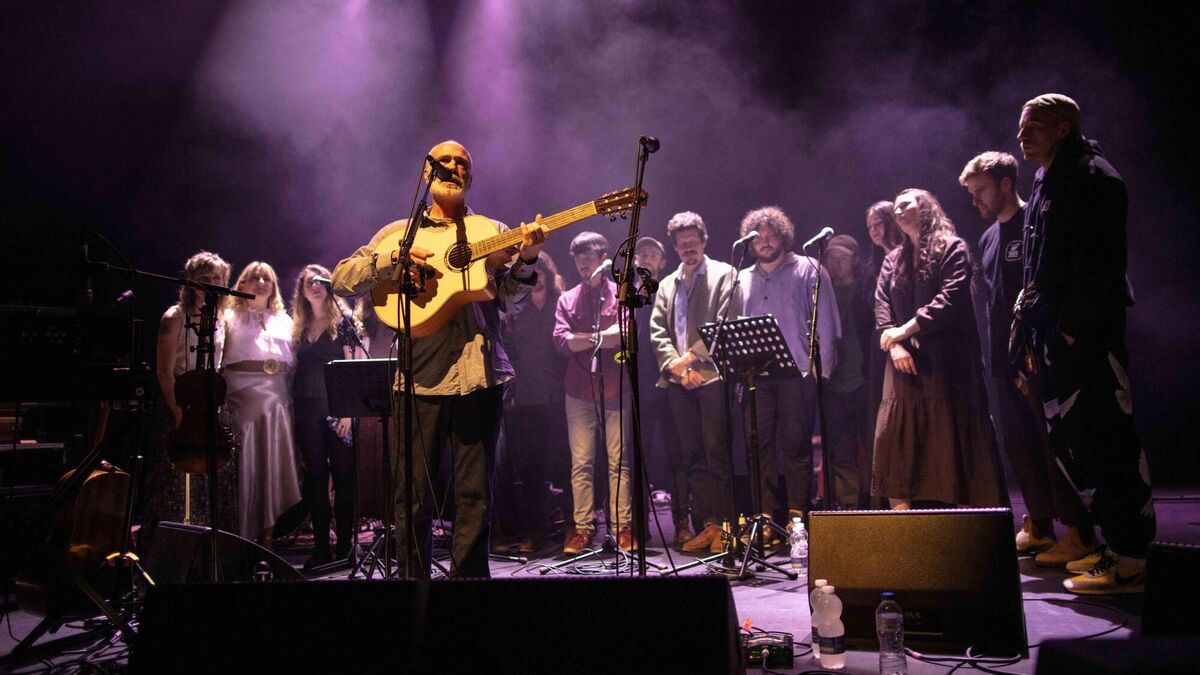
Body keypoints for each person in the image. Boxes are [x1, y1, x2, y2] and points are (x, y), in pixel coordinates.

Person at [331, 140, 545, 578]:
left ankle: (467, 588)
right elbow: (341, 278)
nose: (452, 167)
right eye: (443, 161)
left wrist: (527, 259)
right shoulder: (397, 233)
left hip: (479, 374)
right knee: (409, 496)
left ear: (471, 176)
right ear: (426, 176)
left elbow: (506, 301)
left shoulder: (490, 229)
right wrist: (393, 260)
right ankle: (415, 587)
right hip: (417, 378)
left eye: (461, 162)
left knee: (474, 495)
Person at [1014, 94, 1154, 594]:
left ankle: (1133, 558)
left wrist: (1072, 327)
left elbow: (1100, 266)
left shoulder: (1093, 177)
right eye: (1021, 127)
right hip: (1056, 339)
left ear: (1065, 128)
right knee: (1076, 446)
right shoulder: (1046, 179)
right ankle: (1114, 548)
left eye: (1034, 127)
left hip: (1087, 339)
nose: (1022, 135)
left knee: (1107, 440)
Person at [959, 151, 1095, 564]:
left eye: (980, 190)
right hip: (1000, 361)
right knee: (1018, 445)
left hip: (1036, 357)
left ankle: (1080, 531)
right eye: (970, 193)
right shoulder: (985, 239)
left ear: (1005, 184)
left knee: (1051, 443)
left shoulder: (1032, 227)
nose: (975, 200)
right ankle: (1039, 525)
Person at [872, 190, 1007, 509]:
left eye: (906, 204)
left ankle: (965, 516)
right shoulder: (894, 258)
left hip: (945, 360)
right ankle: (902, 515)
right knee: (894, 434)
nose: (899, 210)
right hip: (903, 360)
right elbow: (882, 304)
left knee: (950, 435)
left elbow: (951, 297)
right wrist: (895, 346)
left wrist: (903, 331)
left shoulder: (952, 247)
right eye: (896, 207)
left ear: (927, 208)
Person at [736, 206, 841, 532]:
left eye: (771, 235)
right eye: (758, 238)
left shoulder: (810, 269)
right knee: (758, 447)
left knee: (796, 447)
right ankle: (765, 519)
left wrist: (819, 373)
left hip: (797, 373)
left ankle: (798, 516)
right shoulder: (741, 278)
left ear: (783, 235)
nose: (765, 242)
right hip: (757, 376)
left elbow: (826, 322)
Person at [649, 213, 737, 553]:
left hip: (712, 377)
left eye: (693, 242)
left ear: (704, 240)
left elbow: (724, 322)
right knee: (693, 456)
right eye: (682, 244)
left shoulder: (723, 274)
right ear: (675, 247)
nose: (688, 248)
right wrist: (675, 367)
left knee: (717, 454)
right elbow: (657, 330)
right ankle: (707, 525)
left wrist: (690, 360)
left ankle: (726, 526)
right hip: (679, 382)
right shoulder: (668, 283)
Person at [141, 251, 238, 552]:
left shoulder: (222, 318)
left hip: (210, 406)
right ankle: (166, 552)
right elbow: (164, 371)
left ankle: (208, 554)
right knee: (174, 481)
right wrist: (178, 413)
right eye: (204, 279)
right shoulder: (175, 317)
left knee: (214, 478)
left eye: (217, 279)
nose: (211, 284)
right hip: (180, 405)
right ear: (191, 283)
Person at [553, 231, 634, 554]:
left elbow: (625, 336)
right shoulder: (567, 298)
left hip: (616, 388)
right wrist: (602, 336)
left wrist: (583, 338)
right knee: (581, 463)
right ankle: (583, 528)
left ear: (604, 258)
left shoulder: (621, 294)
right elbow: (562, 342)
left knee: (619, 462)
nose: (584, 263)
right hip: (577, 391)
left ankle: (622, 528)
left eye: (590, 257)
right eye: (579, 258)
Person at [220, 261, 302, 549]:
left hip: (278, 398)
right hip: (242, 395)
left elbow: (293, 364)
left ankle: (267, 541)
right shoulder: (228, 316)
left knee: (271, 467)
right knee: (248, 465)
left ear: (274, 286)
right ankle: (240, 540)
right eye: (253, 277)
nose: (260, 281)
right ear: (241, 284)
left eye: (266, 277)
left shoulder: (284, 320)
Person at [290, 264, 363, 570]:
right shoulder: (299, 327)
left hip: (337, 409)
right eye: (309, 283)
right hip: (306, 408)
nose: (316, 287)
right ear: (302, 291)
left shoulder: (343, 323)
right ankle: (322, 548)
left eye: (321, 282)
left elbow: (354, 368)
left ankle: (346, 547)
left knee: (345, 479)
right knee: (316, 480)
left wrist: (348, 411)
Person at [495, 253, 568, 553]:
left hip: (562, 395)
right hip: (527, 397)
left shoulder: (560, 303)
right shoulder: (515, 310)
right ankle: (535, 531)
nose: (537, 278)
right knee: (531, 468)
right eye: (531, 274)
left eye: (541, 272)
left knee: (565, 463)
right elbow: (508, 351)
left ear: (550, 275)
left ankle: (572, 529)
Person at [633, 236, 685, 544]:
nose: (648, 258)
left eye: (654, 254)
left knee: (677, 454)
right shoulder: (627, 295)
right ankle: (640, 526)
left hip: (671, 385)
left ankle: (682, 522)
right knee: (639, 458)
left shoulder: (672, 289)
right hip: (639, 387)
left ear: (662, 262)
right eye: (643, 254)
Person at [823, 234, 872, 508]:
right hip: (833, 382)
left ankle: (875, 504)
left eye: (843, 257)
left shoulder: (867, 291)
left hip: (864, 379)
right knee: (841, 450)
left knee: (871, 444)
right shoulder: (822, 292)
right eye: (832, 257)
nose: (837, 263)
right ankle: (850, 506)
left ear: (855, 260)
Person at [862, 202, 904, 509]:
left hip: (908, 342)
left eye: (879, 223)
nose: (875, 230)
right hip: (881, 348)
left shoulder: (909, 255)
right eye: (870, 226)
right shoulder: (873, 265)